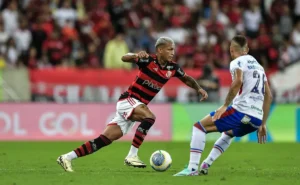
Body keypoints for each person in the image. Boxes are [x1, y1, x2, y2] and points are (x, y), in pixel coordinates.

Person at [57, 37, 208, 172]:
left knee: (104, 139)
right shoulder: (147, 60)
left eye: (173, 49)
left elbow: (187, 79)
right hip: (128, 99)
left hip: (137, 105)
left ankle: (67, 157)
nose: (172, 52)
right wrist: (136, 55)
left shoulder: (173, 68)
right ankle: (132, 155)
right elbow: (124, 58)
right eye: (169, 49)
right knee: (150, 117)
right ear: (160, 50)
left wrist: (199, 88)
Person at [173, 35, 273, 176]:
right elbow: (269, 96)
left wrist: (225, 105)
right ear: (247, 49)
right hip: (256, 119)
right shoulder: (260, 68)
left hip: (241, 111)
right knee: (228, 134)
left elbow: (237, 81)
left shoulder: (237, 62)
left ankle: (192, 169)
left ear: (231, 50)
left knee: (199, 127)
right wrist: (263, 124)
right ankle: (206, 164)